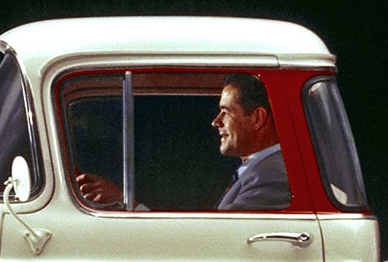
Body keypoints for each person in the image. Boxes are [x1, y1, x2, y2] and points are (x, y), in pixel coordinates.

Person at [75, 73, 290, 210]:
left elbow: (215, 239)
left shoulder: (270, 176)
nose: (216, 122)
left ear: (258, 118)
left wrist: (131, 204)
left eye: (226, 112)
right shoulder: (260, 170)